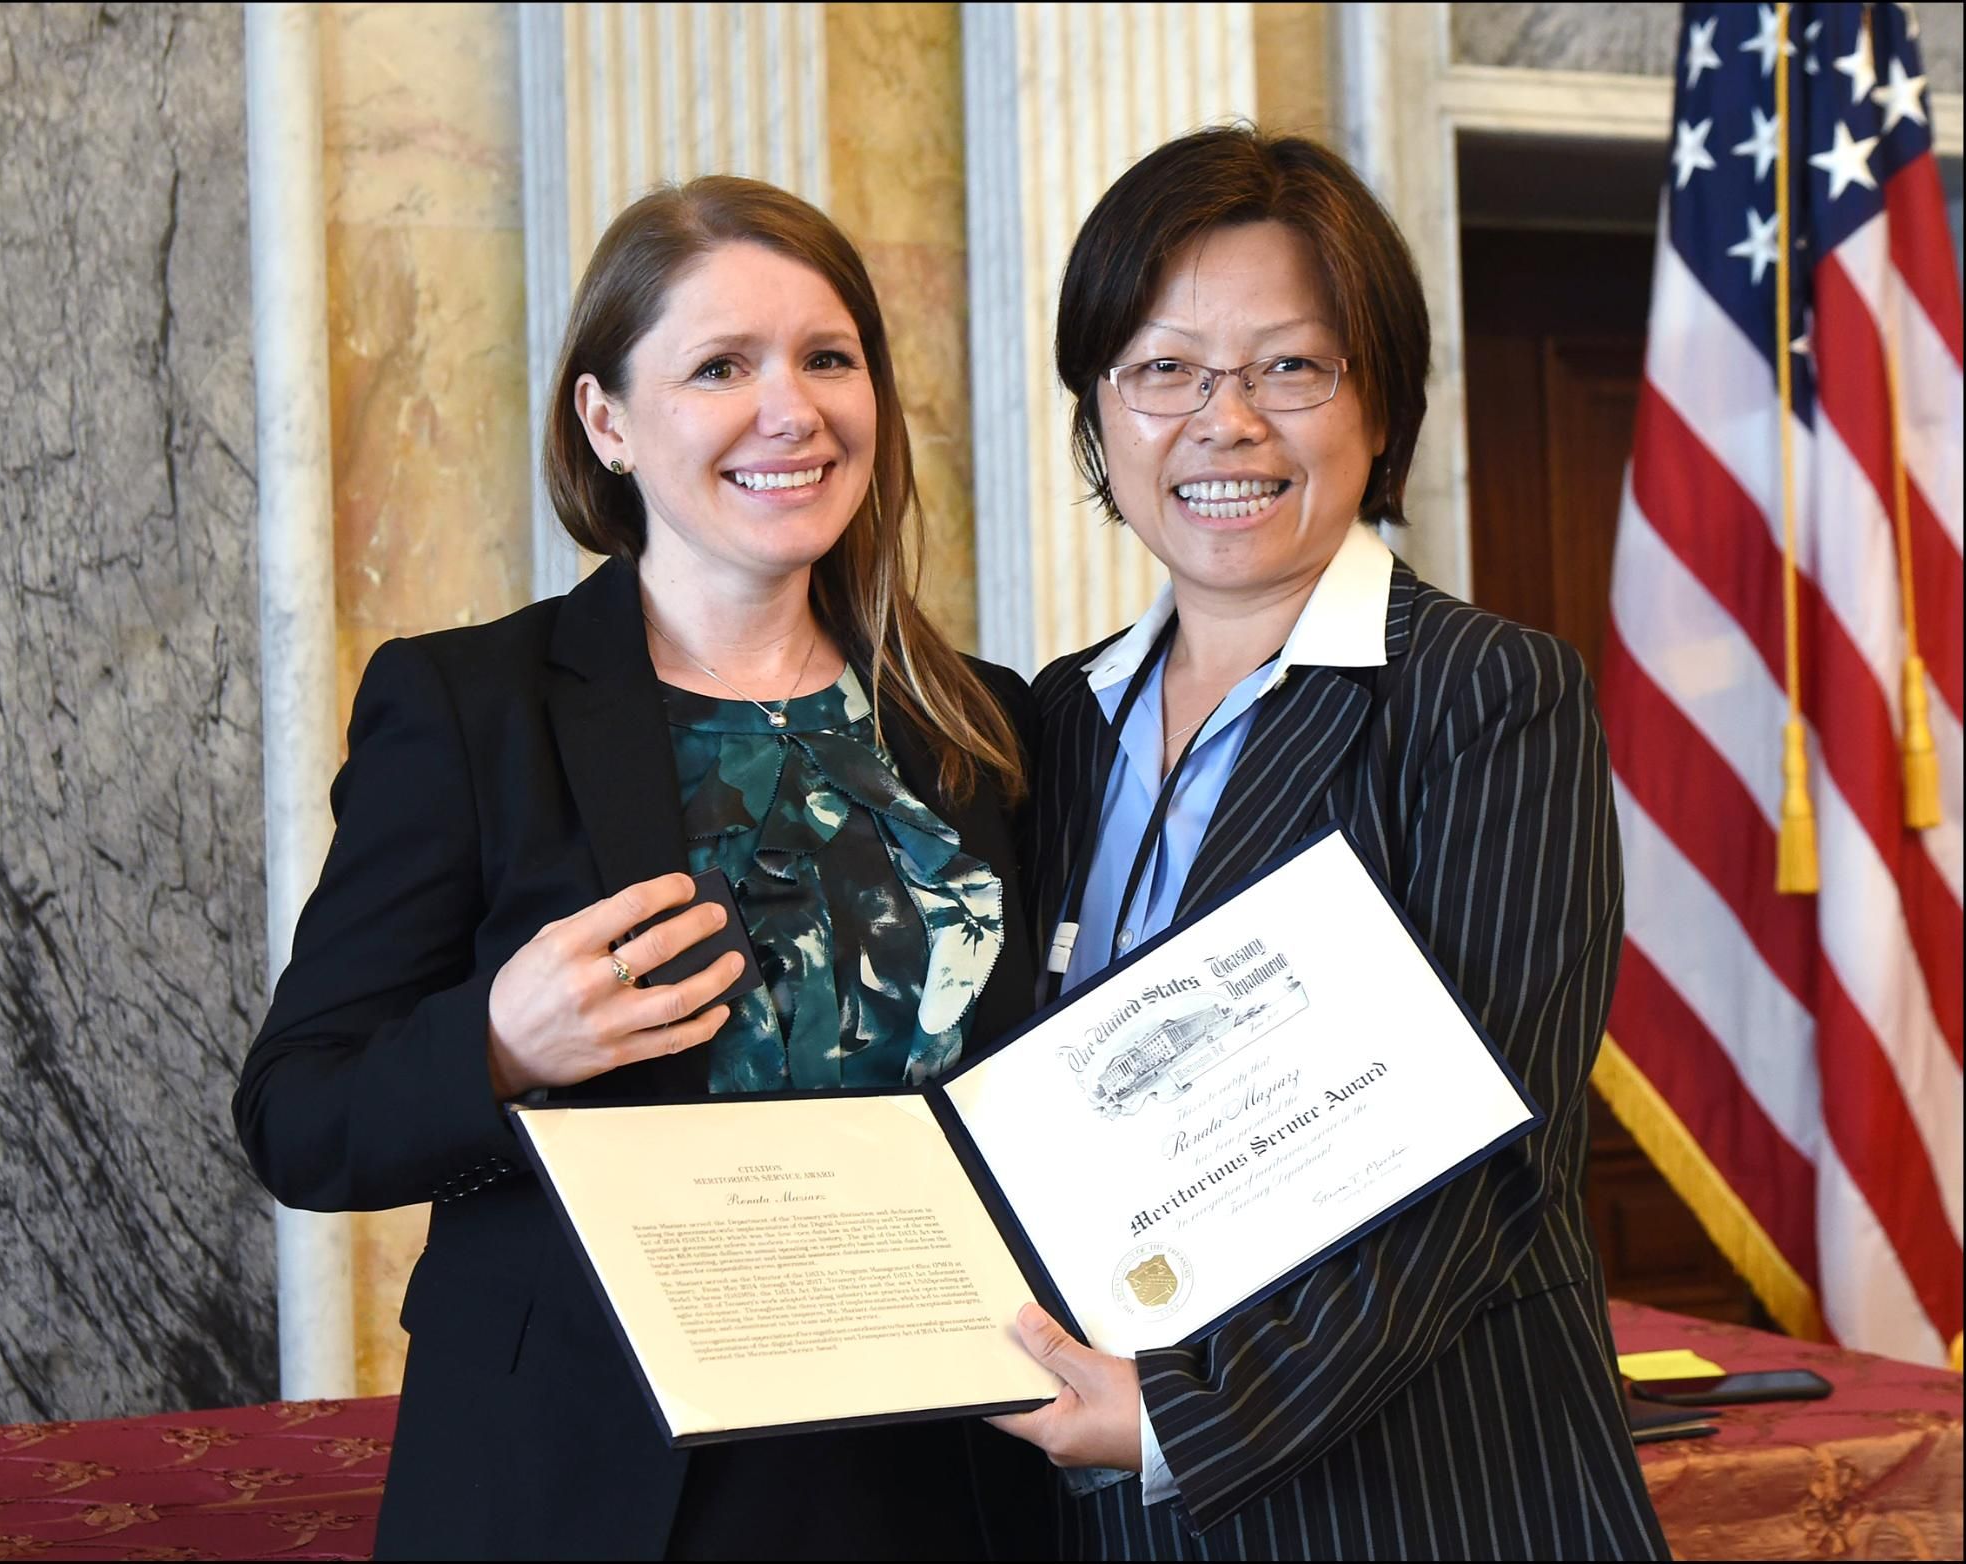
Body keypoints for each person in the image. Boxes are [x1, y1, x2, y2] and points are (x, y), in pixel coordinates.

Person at [234, 175, 1051, 1561]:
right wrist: (494, 1044)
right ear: (606, 421)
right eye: (720, 366)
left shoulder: (982, 722)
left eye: (827, 358)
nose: (788, 409)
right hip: (588, 1481)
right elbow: (297, 1117)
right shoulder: (470, 704)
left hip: (938, 1474)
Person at [987, 127, 1671, 1560]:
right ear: (1099, 416)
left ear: (1383, 404)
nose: (1223, 422)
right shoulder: (1057, 720)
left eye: (1291, 367)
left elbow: (1490, 1152)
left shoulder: (1489, 695)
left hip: (1420, 1494)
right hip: (1103, 1501)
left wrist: (1189, 1417)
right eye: (1163, 370)